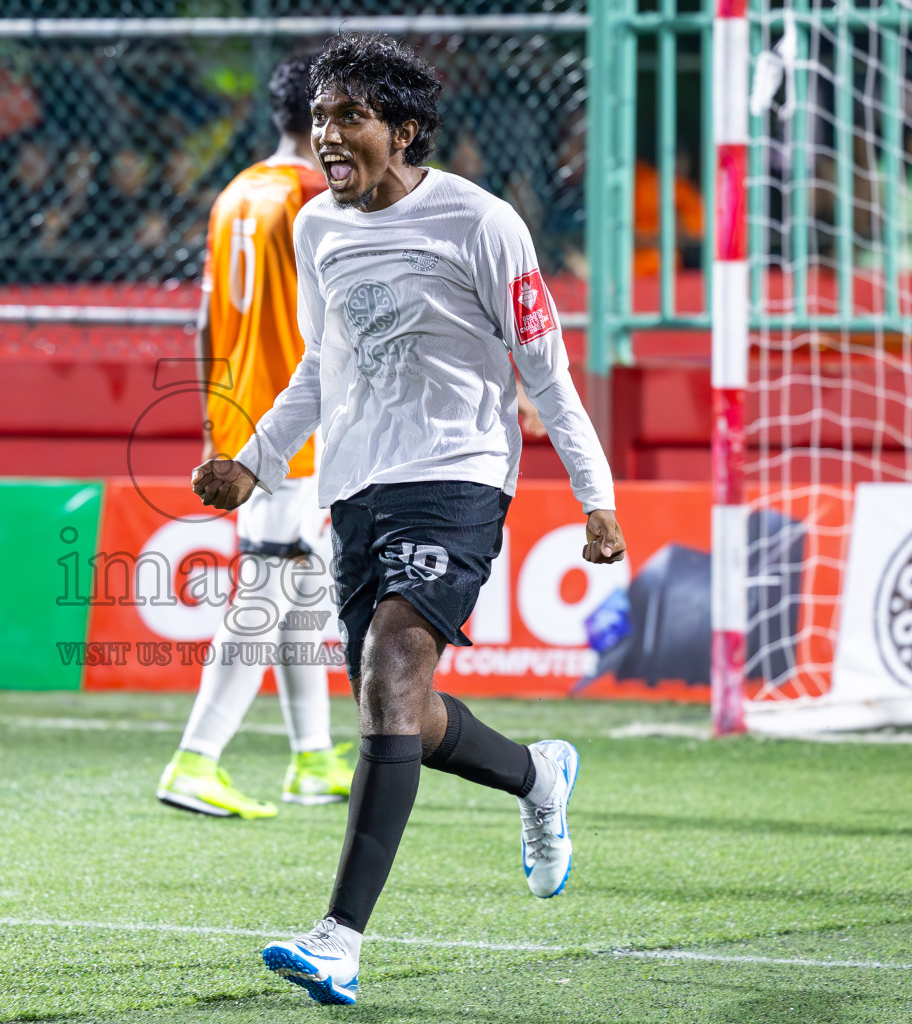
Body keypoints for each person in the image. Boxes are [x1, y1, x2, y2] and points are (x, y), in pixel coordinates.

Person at [190, 34, 627, 1004]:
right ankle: (536, 776)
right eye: (320, 119)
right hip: (354, 492)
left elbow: (545, 370)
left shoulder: (482, 223)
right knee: (404, 710)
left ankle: (338, 937)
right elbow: (319, 366)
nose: (329, 136)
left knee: (391, 667)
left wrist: (597, 498)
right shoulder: (315, 230)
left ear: (405, 128)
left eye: (350, 117)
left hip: (460, 476)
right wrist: (256, 463)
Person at [157, 53, 354, 821]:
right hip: (292, 422)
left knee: (300, 586)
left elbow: (205, 319)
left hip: (242, 415)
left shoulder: (236, 191)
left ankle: (310, 757)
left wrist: (214, 423)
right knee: (267, 590)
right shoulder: (315, 193)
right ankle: (195, 759)